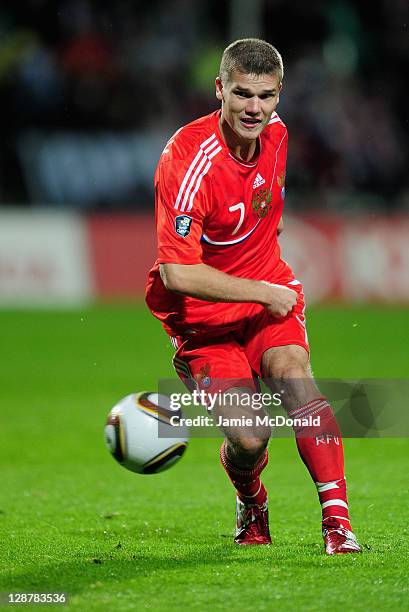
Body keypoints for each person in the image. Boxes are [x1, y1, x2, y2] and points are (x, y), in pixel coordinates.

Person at [146, 38, 361, 554]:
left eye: (265, 96)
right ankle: (251, 497)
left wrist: (269, 282)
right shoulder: (186, 159)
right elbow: (177, 272)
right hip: (204, 319)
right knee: (249, 438)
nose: (254, 108)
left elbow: (270, 208)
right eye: (242, 94)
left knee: (296, 382)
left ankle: (338, 522)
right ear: (219, 89)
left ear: (279, 94)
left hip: (267, 296)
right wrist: (260, 290)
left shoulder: (279, 136)